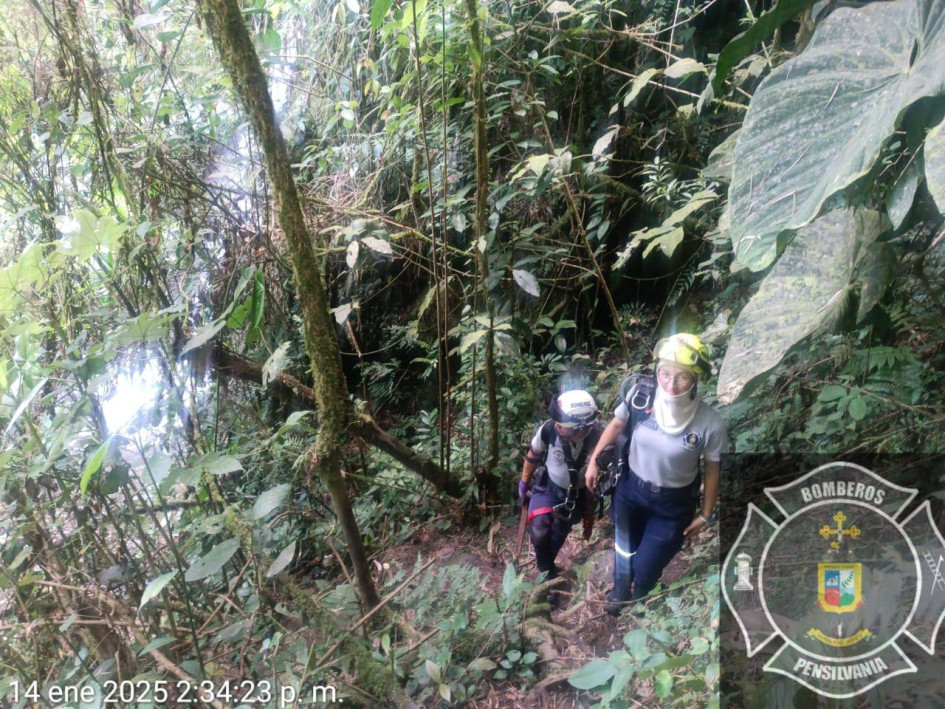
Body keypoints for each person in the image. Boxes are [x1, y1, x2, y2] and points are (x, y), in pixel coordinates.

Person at [585, 334, 728, 616]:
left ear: (696, 379)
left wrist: (705, 513)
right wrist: (593, 461)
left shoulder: (710, 422)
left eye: (682, 377)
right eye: (664, 373)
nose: (670, 385)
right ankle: (619, 591)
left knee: (648, 564)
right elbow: (616, 425)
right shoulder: (641, 395)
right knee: (624, 549)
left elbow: (713, 468)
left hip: (672, 504)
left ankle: (641, 597)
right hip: (631, 490)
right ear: (656, 371)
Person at [519, 389, 602, 581]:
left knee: (557, 535)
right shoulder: (549, 430)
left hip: (576, 496)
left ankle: (547, 573)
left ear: (581, 427)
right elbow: (533, 455)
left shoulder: (599, 437)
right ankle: (547, 576)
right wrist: (524, 482)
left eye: (562, 423)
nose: (557, 425)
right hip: (548, 486)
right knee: (539, 531)